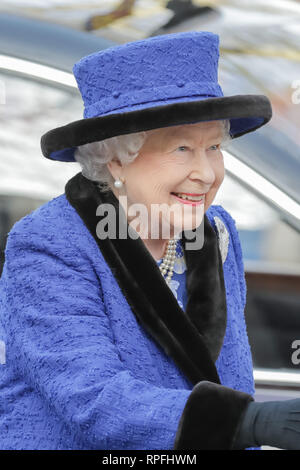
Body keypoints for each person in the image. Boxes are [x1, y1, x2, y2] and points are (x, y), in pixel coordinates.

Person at [0, 30, 299, 451]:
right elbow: (94, 400)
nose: (207, 173)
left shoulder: (217, 231)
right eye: (181, 148)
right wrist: (245, 422)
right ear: (117, 158)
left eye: (213, 146)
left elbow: (230, 376)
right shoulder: (50, 243)